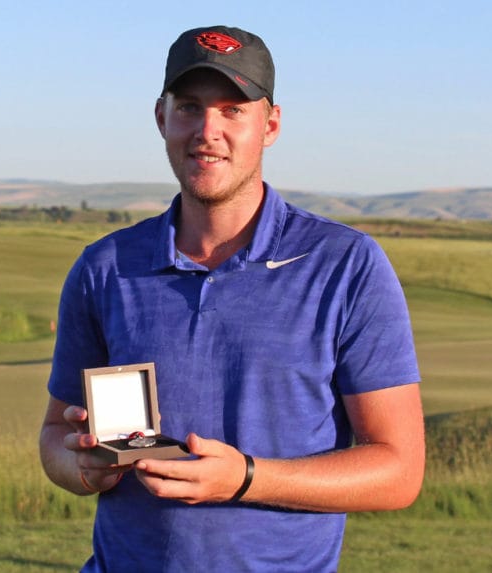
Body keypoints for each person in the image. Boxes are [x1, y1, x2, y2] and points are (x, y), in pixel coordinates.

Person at [39, 25, 425, 572]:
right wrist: (80, 466)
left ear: (270, 125)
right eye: (190, 107)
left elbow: (399, 471)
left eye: (232, 110)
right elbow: (56, 437)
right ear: (161, 117)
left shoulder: (347, 265)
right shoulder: (104, 267)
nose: (207, 131)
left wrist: (244, 478)